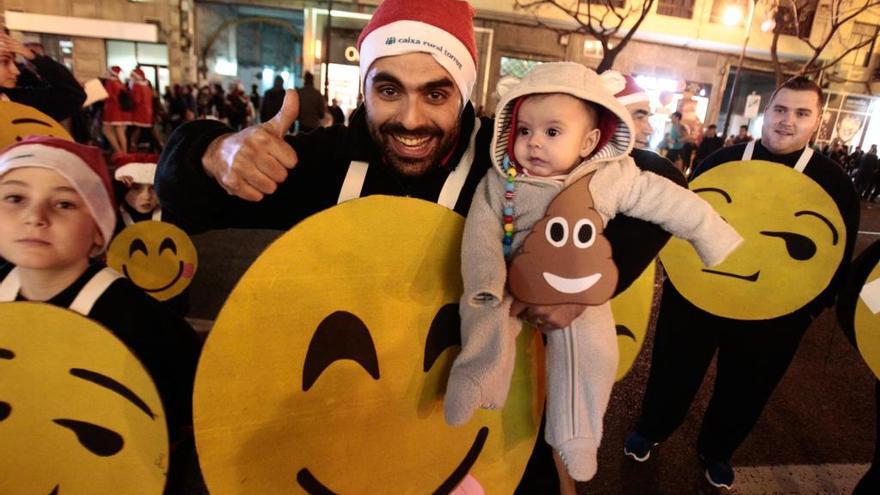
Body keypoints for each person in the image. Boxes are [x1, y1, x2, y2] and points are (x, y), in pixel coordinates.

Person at [156, 0, 695, 491]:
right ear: (364, 88)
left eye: (435, 93)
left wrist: (583, 279)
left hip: (479, 416)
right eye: (388, 90)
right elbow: (186, 199)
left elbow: (655, 178)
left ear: (464, 93)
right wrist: (212, 153)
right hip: (345, 418)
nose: (411, 119)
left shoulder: (510, 157)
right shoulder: (325, 163)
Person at [443, 62, 742, 482]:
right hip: (511, 282)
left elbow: (670, 200)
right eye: (524, 130)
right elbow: (480, 235)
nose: (533, 144)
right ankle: (475, 378)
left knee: (595, 355)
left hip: (579, 290)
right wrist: (486, 285)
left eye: (552, 132)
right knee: (483, 319)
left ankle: (578, 435)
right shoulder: (501, 181)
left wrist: (713, 237)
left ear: (587, 142)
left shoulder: (610, 178)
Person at [623, 76, 859, 490]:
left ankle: (717, 450)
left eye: (802, 113)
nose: (787, 121)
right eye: (781, 110)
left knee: (747, 385)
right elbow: (685, 214)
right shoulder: (722, 159)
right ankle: (652, 427)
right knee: (674, 367)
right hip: (700, 291)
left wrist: (807, 309)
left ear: (817, 122)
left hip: (777, 307)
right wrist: (681, 279)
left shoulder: (834, 181)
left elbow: (837, 255)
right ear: (766, 113)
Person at [0, 136, 203, 493]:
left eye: (63, 203)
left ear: (99, 232)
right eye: (14, 198)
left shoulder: (142, 322)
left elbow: (182, 412)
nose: (35, 217)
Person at [0, 32, 86, 123]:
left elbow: (73, 96)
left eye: (14, 61)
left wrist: (34, 58)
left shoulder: (19, 99)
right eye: (5, 62)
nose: (16, 71)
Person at [101, 66, 131, 154]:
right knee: (120, 131)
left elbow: (107, 96)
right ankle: (124, 152)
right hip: (120, 111)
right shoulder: (119, 82)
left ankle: (118, 151)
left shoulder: (110, 82)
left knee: (106, 130)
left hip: (111, 110)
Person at [128, 67, 154, 152]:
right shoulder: (146, 86)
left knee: (135, 130)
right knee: (146, 131)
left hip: (139, 112)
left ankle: (132, 145)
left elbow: (136, 100)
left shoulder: (137, 86)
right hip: (147, 112)